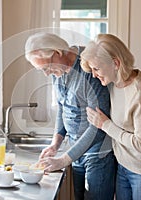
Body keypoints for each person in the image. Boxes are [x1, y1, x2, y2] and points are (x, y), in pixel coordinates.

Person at [24, 32, 116, 200]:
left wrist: (63, 160)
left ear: (58, 53)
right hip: (75, 150)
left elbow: (99, 125)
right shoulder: (58, 71)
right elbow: (62, 106)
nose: (46, 73)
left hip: (97, 153)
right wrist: (55, 143)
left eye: (46, 67)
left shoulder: (89, 68)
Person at [80, 33, 141, 200]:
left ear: (116, 63)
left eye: (96, 69)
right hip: (123, 167)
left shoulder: (140, 92)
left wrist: (105, 125)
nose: (93, 75)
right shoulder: (114, 83)